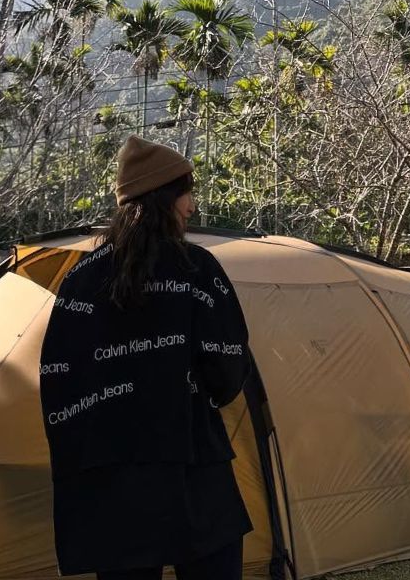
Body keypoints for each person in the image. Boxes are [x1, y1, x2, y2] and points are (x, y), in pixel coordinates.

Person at [39, 136, 253, 580]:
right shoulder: (196, 269)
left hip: (109, 475)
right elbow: (227, 366)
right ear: (165, 198)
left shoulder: (79, 280)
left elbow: (60, 377)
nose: (192, 207)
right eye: (187, 194)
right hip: (193, 465)